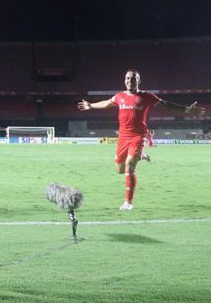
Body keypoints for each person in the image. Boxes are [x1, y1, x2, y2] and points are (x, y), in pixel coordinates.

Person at [78, 69, 204, 211]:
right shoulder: (119, 96)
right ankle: (141, 156)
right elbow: (106, 103)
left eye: (133, 79)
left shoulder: (146, 96)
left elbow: (166, 104)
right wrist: (91, 105)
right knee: (119, 169)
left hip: (138, 136)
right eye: (127, 78)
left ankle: (128, 202)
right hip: (123, 137)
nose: (129, 81)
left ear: (138, 81)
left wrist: (186, 110)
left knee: (129, 165)